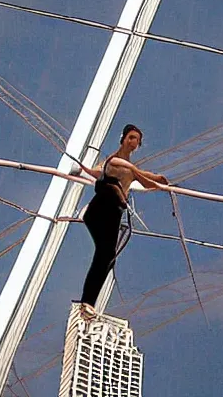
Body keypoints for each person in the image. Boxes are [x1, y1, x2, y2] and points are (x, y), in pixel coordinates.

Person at [73, 124, 168, 316]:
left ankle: (88, 302)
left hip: (113, 214)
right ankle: (87, 301)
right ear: (123, 138)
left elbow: (145, 179)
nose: (134, 142)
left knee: (107, 256)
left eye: (138, 140)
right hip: (101, 208)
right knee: (105, 252)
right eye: (132, 138)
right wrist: (80, 169)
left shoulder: (131, 170)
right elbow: (100, 172)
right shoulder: (113, 161)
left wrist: (160, 180)